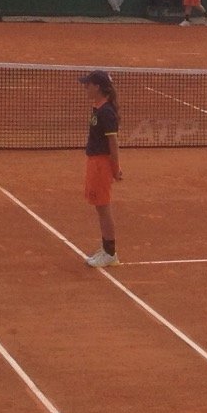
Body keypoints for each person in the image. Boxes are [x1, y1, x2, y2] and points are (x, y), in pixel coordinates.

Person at [80, 70, 123, 268]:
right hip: (94, 162)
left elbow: (113, 142)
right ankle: (106, 249)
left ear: (97, 86)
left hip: (101, 164)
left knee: (103, 207)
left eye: (88, 84)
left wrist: (115, 168)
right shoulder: (98, 107)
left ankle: (110, 253)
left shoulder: (106, 112)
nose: (86, 87)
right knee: (99, 206)